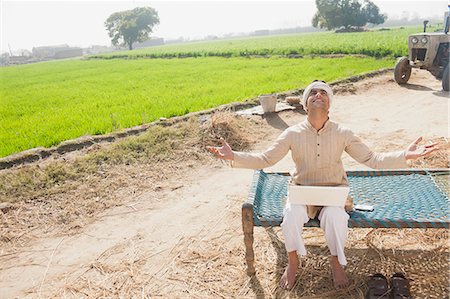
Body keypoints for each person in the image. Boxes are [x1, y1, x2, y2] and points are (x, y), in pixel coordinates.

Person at [207, 80, 438, 290]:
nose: (318, 95)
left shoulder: (343, 133)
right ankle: (294, 262)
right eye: (313, 93)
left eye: (324, 93)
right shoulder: (292, 133)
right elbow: (266, 159)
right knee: (291, 216)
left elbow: (372, 159)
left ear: (329, 104)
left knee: (336, 218)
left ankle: (336, 262)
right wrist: (233, 156)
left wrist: (405, 155)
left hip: (334, 195)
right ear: (306, 105)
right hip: (301, 194)